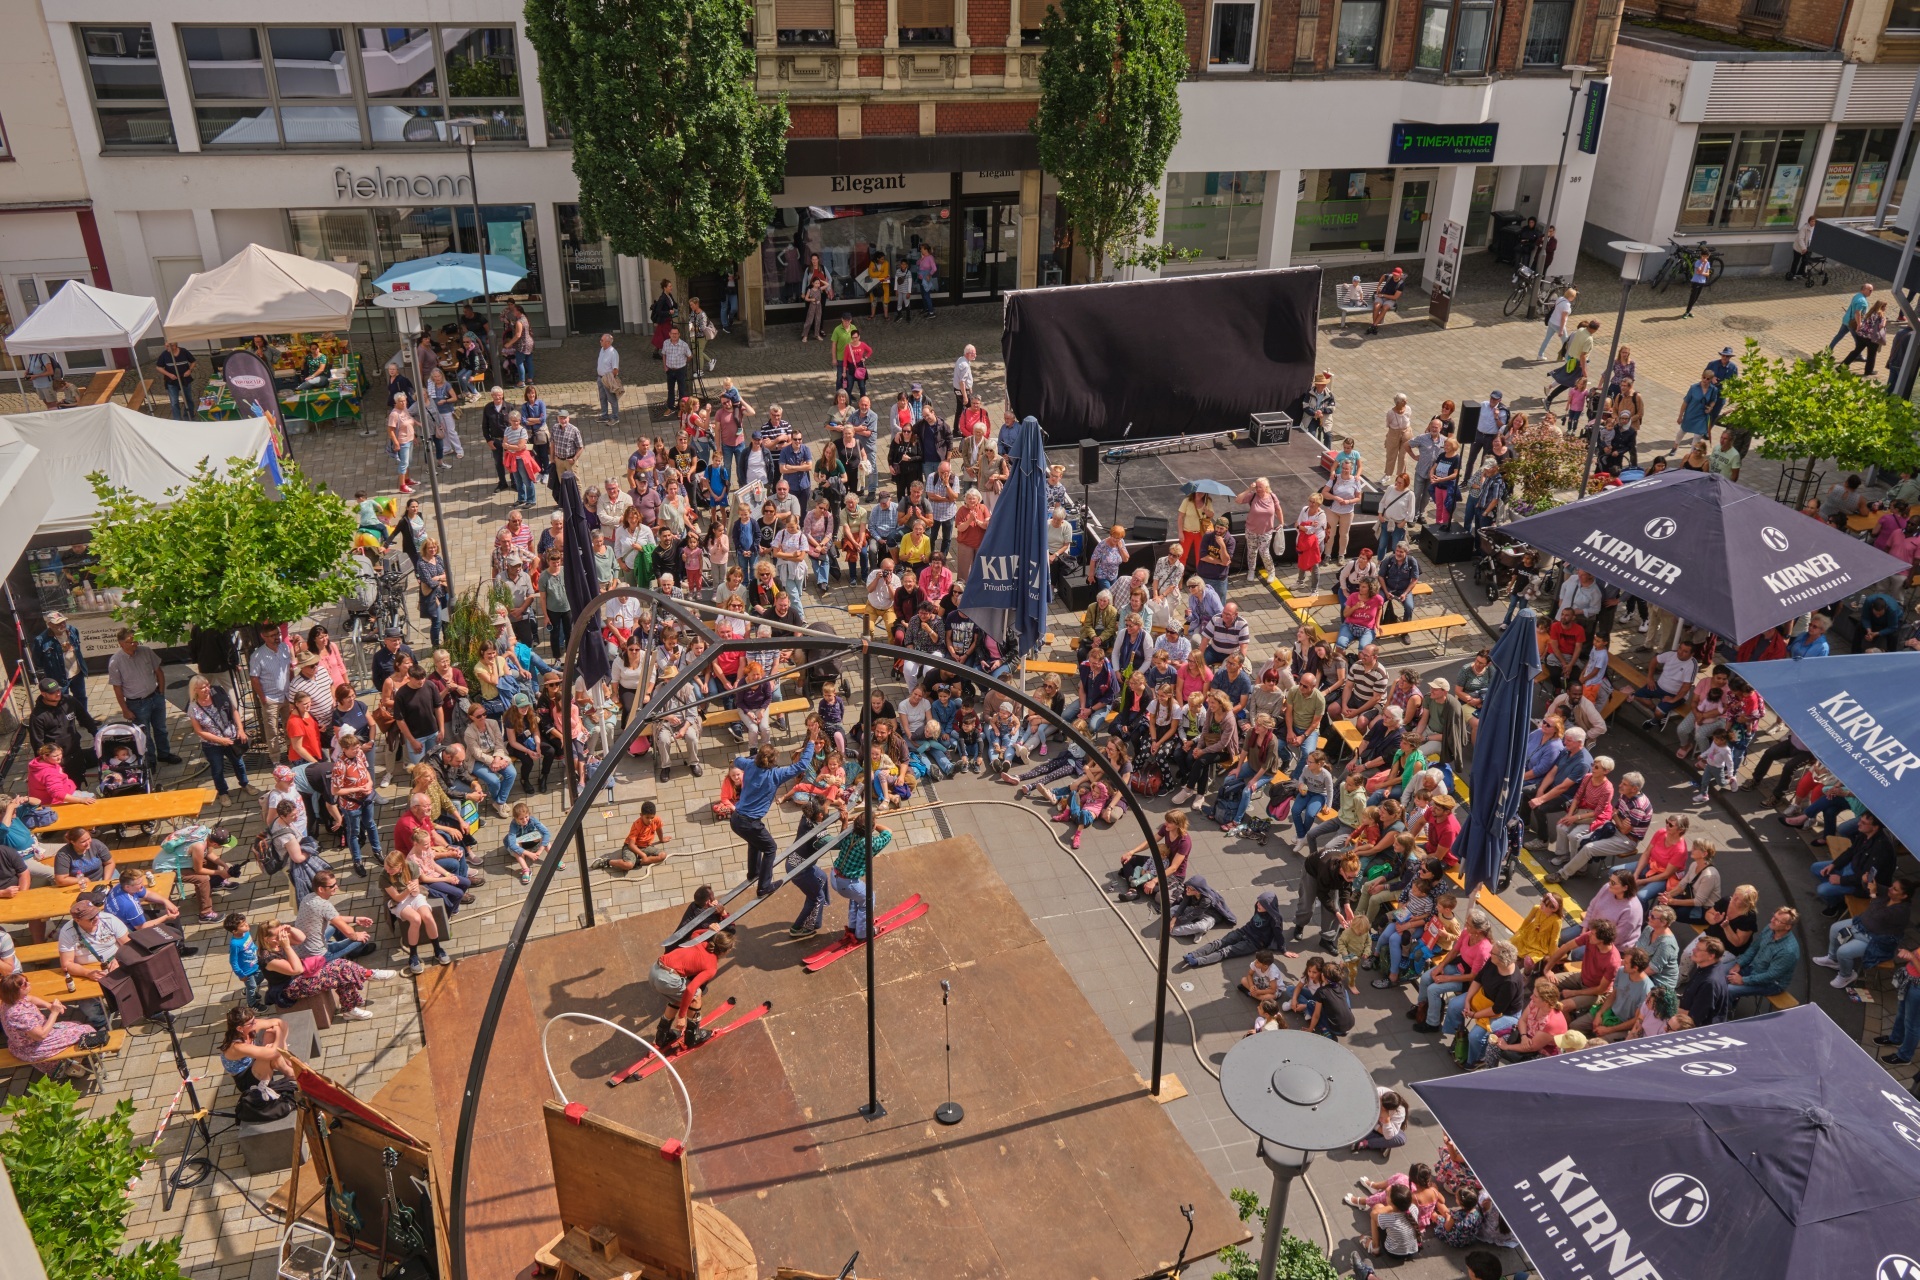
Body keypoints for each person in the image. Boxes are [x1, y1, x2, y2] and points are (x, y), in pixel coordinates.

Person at [733, 738, 817, 896]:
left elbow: (737, 760)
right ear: (772, 761)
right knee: (770, 848)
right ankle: (764, 886)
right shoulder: (776, 774)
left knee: (755, 842)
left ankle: (754, 873)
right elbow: (801, 765)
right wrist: (811, 743)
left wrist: (752, 758)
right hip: (749, 823)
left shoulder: (749, 765)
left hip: (736, 819)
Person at [651, 928, 736, 1049]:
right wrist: (681, 1016)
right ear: (725, 951)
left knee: (678, 996)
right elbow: (691, 989)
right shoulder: (711, 967)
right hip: (666, 979)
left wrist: (710, 930)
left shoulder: (699, 942)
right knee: (696, 994)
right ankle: (692, 1037)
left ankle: (662, 1037)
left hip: (654, 971)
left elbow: (694, 933)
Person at [107, 627, 178, 766]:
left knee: (161, 729)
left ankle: (164, 754)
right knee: (144, 735)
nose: (135, 644)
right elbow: (117, 687)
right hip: (136, 704)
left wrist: (161, 692)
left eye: (136, 640)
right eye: (130, 642)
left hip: (156, 698)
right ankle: (150, 761)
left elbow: (159, 671)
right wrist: (125, 709)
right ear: (121, 644)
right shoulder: (115, 661)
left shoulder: (146, 651)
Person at [157, 340, 197, 420]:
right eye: (166, 346)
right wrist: (169, 374)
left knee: (188, 399)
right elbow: (158, 367)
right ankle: (177, 419)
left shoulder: (184, 352)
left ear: (174, 346)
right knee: (174, 402)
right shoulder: (164, 355)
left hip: (185, 380)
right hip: (171, 382)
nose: (166, 348)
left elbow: (193, 361)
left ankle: (189, 416)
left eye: (168, 346)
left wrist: (190, 370)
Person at [1370, 266, 1404, 334]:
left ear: (1400, 275)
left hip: (1390, 299)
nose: (1394, 276)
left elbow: (1395, 297)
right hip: (1381, 296)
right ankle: (1375, 324)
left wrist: (1383, 295)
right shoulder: (1389, 276)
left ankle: (1374, 325)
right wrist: (1378, 286)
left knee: (1385, 308)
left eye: (1396, 275)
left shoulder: (1401, 284)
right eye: (1394, 274)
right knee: (1376, 306)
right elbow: (1383, 276)